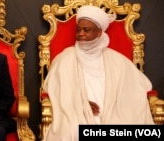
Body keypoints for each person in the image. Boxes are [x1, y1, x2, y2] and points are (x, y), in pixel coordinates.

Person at [42, 5, 154, 141]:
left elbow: (133, 90)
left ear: (99, 32)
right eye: (78, 30)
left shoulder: (117, 60)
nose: (81, 33)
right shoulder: (65, 58)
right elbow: (56, 89)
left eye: (86, 30)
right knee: (72, 132)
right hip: (77, 114)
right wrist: (80, 103)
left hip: (114, 113)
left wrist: (115, 106)